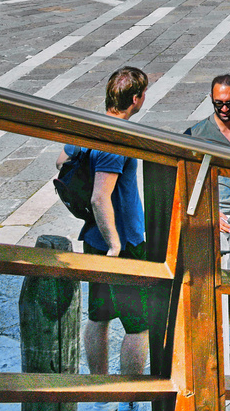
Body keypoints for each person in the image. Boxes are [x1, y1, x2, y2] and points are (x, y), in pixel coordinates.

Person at [58, 67, 149, 392]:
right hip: (119, 245)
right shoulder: (117, 140)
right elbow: (100, 197)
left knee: (99, 317)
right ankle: (128, 398)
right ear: (136, 99)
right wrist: (115, 246)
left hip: (94, 238)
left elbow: (61, 161)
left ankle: (100, 391)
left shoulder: (92, 128)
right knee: (138, 327)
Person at [184, 74, 230, 234]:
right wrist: (208, 212)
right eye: (218, 103)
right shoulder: (195, 135)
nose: (224, 109)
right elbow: (183, 184)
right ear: (211, 98)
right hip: (217, 216)